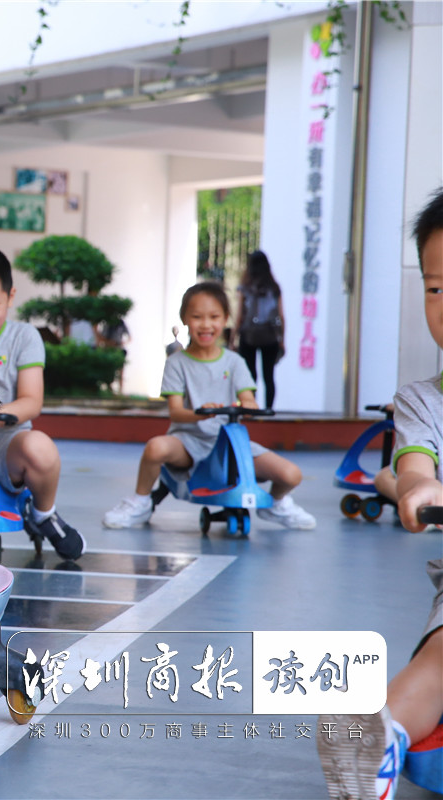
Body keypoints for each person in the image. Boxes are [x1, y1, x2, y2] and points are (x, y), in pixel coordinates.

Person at [318, 187, 443, 800]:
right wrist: (421, 489)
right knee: (440, 659)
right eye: (436, 287)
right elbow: (416, 467)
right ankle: (378, 740)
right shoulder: (423, 402)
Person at [102, 281, 315, 530]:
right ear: (185, 319)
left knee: (291, 474)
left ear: (225, 319)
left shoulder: (234, 362)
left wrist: (247, 404)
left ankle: (275, 504)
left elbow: (248, 399)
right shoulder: (176, 363)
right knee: (155, 448)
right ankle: (140, 501)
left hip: (229, 442)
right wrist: (201, 414)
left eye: (214, 317)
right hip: (187, 441)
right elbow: (176, 412)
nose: (206, 325)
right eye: (197, 317)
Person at [0, 245, 83, 559]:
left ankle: (43, 513)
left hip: (6, 441)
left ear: (10, 297)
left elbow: (31, 401)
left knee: (39, 447)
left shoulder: (24, 337)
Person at [233, 250, 285, 410]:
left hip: (248, 335)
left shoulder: (245, 288)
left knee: (250, 374)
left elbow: (239, 315)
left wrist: (232, 339)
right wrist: (282, 339)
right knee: (269, 376)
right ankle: (269, 409)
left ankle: (251, 407)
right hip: (270, 335)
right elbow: (281, 316)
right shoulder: (274, 288)